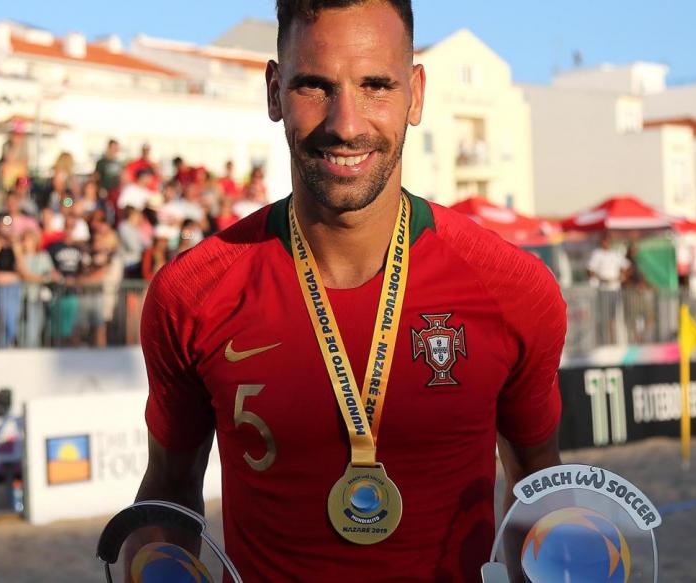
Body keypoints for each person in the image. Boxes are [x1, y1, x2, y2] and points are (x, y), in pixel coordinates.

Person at [133, 2, 566, 580]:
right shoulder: (192, 293)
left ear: (415, 94)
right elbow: (167, 496)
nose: (346, 123)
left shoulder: (514, 289)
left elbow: (539, 489)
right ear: (273, 91)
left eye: (376, 85)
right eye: (315, 86)